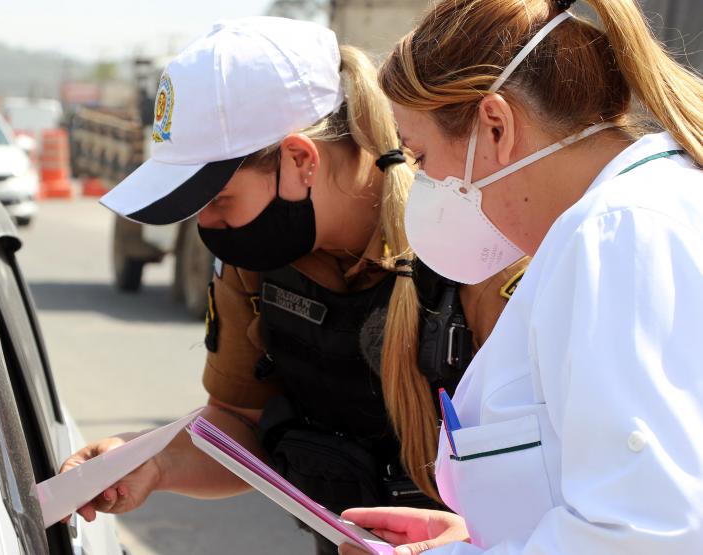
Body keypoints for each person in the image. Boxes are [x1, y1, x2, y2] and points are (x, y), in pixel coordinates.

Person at [61, 17, 525, 554]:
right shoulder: (257, 266)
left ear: (300, 159)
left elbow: (578, 472)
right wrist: (151, 461)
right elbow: (240, 423)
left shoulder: (478, 249)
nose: (206, 228)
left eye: (218, 201)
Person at [340, 0, 703, 553]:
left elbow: (646, 534)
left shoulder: (615, 234)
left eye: (420, 156)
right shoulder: (622, 219)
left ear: (496, 125)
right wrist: (482, 534)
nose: (419, 182)